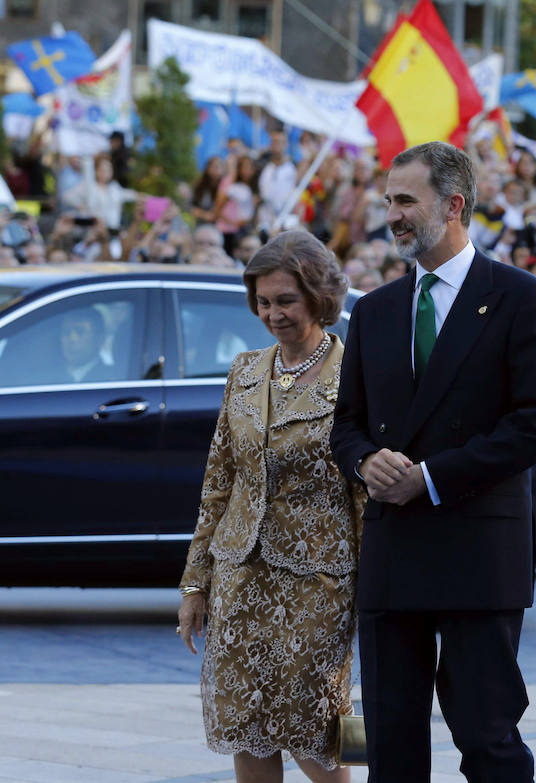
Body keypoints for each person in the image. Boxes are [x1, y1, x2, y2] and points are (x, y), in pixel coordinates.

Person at [330, 141, 536, 782]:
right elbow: (345, 423)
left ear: (454, 205)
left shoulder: (521, 298)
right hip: (392, 556)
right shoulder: (374, 311)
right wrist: (365, 462)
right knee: (389, 751)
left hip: (477, 554)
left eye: (406, 201)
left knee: (489, 741)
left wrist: (429, 478)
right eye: (388, 202)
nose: (392, 215)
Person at [177, 231, 362, 783]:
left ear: (319, 296)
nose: (273, 314)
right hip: (240, 576)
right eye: (263, 302)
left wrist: (378, 589)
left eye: (286, 300)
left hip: (320, 584)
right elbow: (219, 483)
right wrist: (195, 584)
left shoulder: (354, 373)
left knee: (320, 730)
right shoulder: (246, 369)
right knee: (246, 723)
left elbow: (365, 492)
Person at [60, 307, 112, 382]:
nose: (72, 339)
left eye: (80, 331)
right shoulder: (45, 377)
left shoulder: (111, 380)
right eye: (66, 332)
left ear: (100, 338)